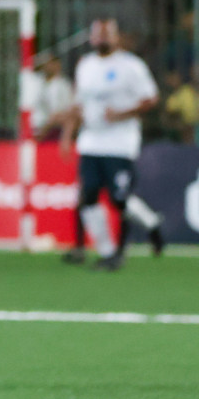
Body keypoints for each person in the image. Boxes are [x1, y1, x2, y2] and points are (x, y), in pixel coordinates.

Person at [59, 19, 162, 269]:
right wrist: (67, 134)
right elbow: (78, 104)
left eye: (107, 34)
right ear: (92, 38)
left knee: (119, 199)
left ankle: (150, 223)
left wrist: (122, 114)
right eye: (98, 34)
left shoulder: (131, 66)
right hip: (91, 141)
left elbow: (151, 99)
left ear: (117, 37)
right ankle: (109, 252)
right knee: (89, 195)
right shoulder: (86, 65)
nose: (102, 38)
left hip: (120, 142)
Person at [29, 56, 74, 141]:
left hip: (56, 120)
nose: (48, 66)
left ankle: (40, 136)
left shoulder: (63, 84)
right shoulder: (37, 82)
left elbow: (69, 105)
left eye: (51, 64)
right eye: (46, 64)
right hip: (38, 120)